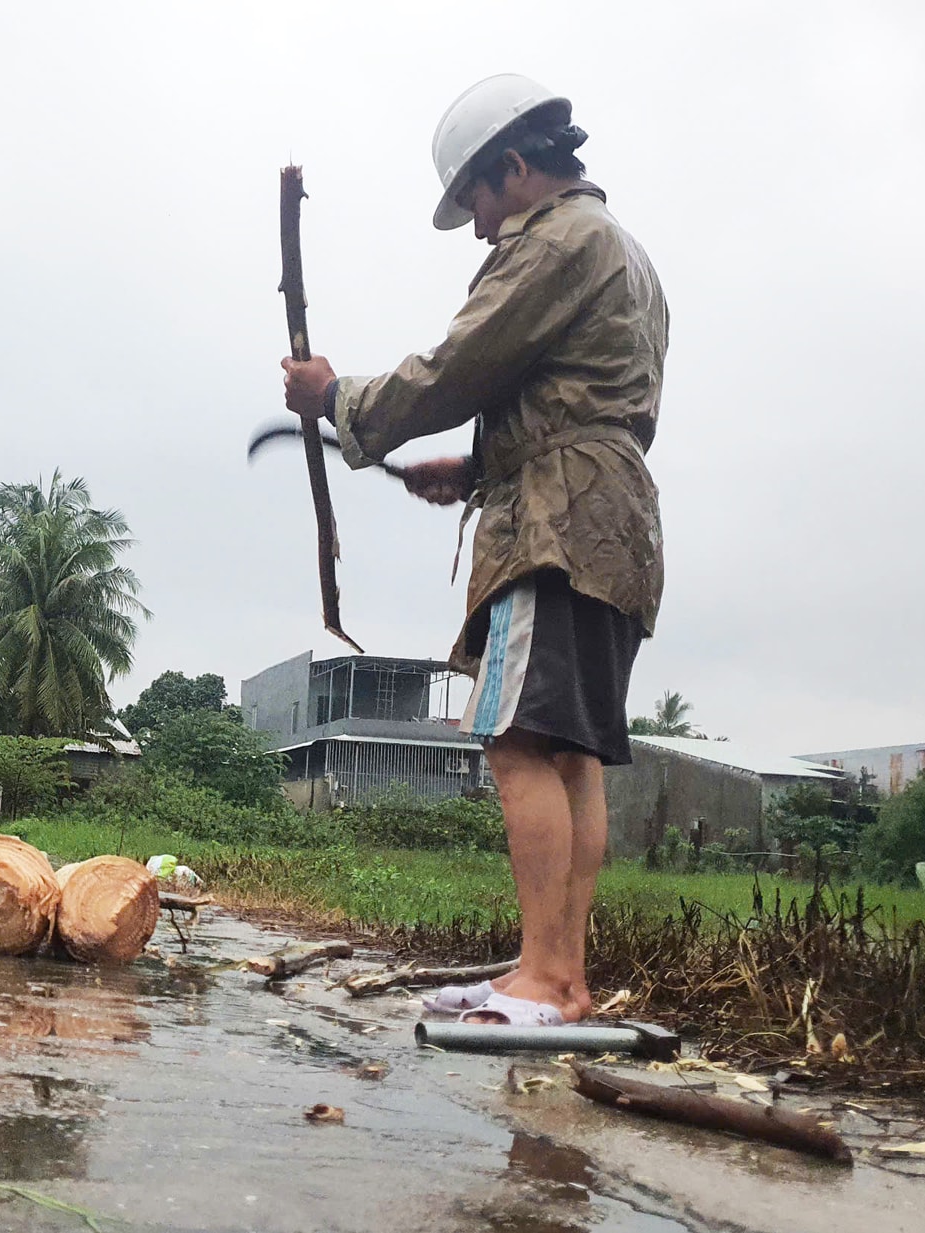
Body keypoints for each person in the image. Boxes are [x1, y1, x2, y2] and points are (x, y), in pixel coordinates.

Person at [281, 74, 667, 1026]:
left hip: (557, 527)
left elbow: (460, 364)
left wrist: (338, 400)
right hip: (604, 518)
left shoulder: (558, 240)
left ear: (515, 167)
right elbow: (569, 392)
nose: (486, 228)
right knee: (567, 752)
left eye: (483, 204)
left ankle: (545, 976)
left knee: (515, 742)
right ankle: (560, 975)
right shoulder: (622, 252)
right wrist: (480, 462)